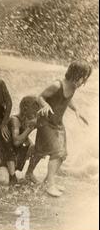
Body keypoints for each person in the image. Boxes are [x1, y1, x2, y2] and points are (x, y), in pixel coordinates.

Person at [25, 61, 92, 197]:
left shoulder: (73, 88)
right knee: (57, 153)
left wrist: (76, 110)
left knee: (50, 152)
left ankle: (31, 175)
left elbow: (67, 100)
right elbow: (40, 97)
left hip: (58, 124)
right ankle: (50, 185)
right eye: (82, 79)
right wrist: (44, 105)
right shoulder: (57, 85)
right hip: (46, 122)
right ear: (74, 75)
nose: (82, 83)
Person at [0, 96, 40, 185]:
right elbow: (16, 141)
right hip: (5, 159)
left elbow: (25, 138)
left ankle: (29, 173)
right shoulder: (15, 120)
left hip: (15, 157)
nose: (36, 113)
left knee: (37, 147)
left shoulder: (26, 120)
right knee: (3, 181)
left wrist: (33, 148)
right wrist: (30, 128)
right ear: (25, 109)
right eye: (35, 109)